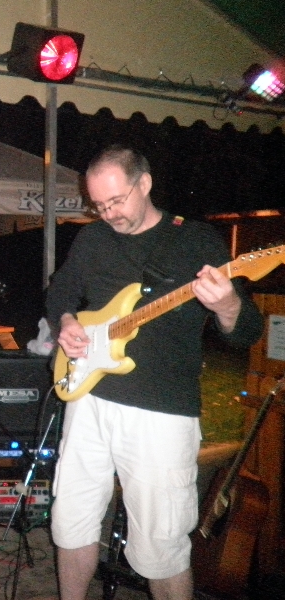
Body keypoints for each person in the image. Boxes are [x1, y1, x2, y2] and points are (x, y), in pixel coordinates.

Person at [46, 145, 263, 600]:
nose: (109, 214)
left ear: (144, 184)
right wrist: (66, 321)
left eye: (116, 201)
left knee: (161, 546)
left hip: (161, 411)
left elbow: (245, 332)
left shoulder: (196, 241)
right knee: (71, 522)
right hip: (87, 397)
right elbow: (62, 287)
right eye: (98, 205)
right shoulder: (92, 239)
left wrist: (227, 305)